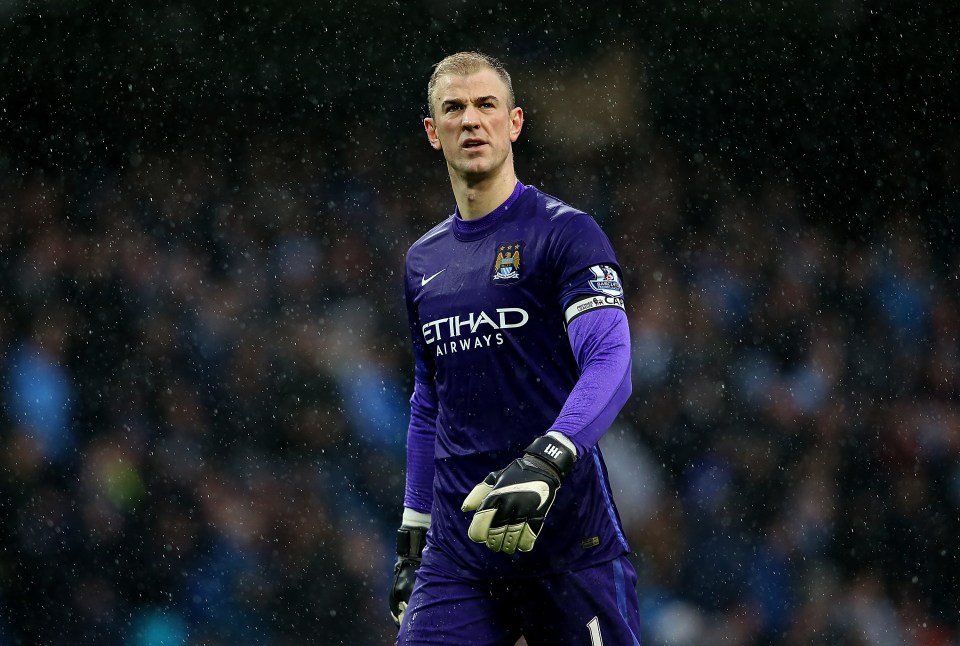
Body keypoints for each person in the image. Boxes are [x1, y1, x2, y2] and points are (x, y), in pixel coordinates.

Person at [388, 51, 642, 646]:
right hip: (459, 555)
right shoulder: (422, 262)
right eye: (454, 108)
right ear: (433, 132)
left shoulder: (566, 234)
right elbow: (430, 400)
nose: (471, 120)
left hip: (567, 545)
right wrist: (414, 530)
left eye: (486, 106)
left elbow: (611, 362)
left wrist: (547, 460)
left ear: (515, 122)